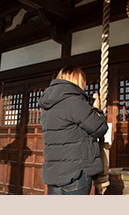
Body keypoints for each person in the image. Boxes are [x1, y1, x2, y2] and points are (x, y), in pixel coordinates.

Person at [39, 65, 108, 195]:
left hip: (53, 173)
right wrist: (97, 111)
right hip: (75, 173)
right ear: (78, 81)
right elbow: (99, 128)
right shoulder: (74, 101)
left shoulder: (47, 106)